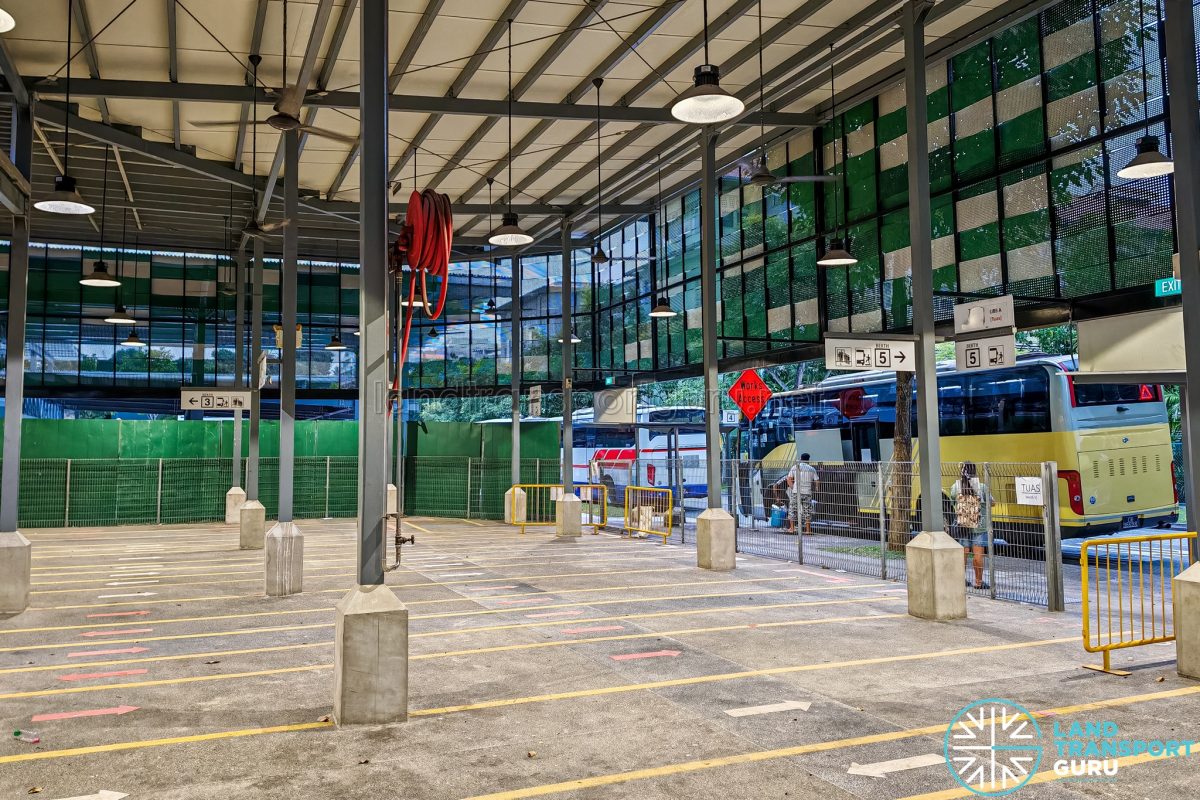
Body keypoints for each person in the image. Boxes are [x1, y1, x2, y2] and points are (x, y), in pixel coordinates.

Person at [950, 461, 992, 590]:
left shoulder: (955, 487)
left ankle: (960, 580)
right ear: (974, 472)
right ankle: (978, 582)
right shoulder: (982, 487)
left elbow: (953, 501)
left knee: (963, 552)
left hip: (963, 523)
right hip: (979, 524)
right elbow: (991, 502)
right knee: (978, 554)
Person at [787, 453, 819, 535]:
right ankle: (808, 530)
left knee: (792, 509)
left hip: (796, 492)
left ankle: (792, 528)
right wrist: (816, 488)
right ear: (808, 460)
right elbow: (817, 481)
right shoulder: (812, 469)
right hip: (807, 492)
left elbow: (789, 479)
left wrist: (793, 487)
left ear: (801, 458)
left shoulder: (795, 467)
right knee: (807, 510)